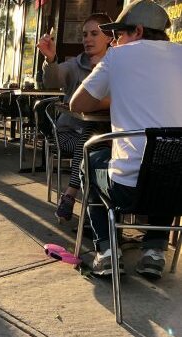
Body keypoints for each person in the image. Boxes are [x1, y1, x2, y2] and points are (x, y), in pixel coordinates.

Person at [70, 0, 182, 279]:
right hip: (179, 190)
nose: (116, 40)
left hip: (126, 190)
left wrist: (117, 94)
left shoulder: (118, 57)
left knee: (92, 160)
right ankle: (154, 252)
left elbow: (77, 103)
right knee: (168, 163)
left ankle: (107, 252)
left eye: (120, 33)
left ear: (139, 30)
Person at [37, 13, 113, 223]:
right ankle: (90, 211)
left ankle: (72, 195)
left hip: (106, 138)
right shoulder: (74, 65)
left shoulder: (118, 64)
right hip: (67, 135)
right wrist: (50, 59)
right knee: (90, 144)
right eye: (84, 35)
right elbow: (52, 80)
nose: (88, 39)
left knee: (95, 146)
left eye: (94, 33)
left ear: (109, 37)